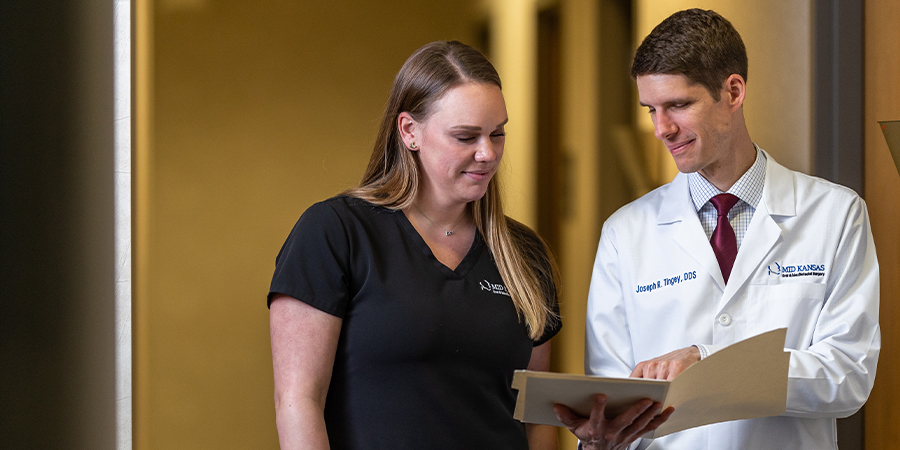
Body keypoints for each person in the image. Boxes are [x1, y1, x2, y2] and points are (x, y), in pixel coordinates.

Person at [554, 8, 880, 450]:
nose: (660, 129)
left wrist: (709, 364)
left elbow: (847, 377)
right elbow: (614, 400)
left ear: (733, 91)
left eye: (678, 105)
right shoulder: (625, 233)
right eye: (651, 109)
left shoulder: (836, 215)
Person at [267, 40, 561, 450]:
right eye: (465, 136)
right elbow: (298, 402)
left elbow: (536, 417)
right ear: (409, 131)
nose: (487, 153)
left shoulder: (524, 253)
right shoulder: (336, 232)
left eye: (498, 134)